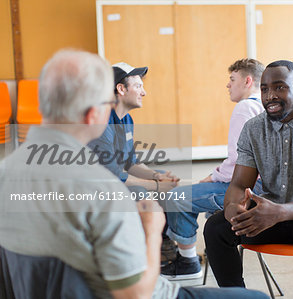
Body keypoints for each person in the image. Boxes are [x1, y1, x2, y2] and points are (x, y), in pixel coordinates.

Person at [0, 49, 269, 299]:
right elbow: (136, 293)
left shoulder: (6, 172)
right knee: (256, 298)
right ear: (95, 114)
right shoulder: (102, 192)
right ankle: (176, 257)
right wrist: (152, 230)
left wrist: (154, 177)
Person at [203, 60, 293, 299]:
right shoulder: (253, 129)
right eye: (264, 89)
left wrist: (280, 212)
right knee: (217, 227)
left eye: (280, 87)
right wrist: (233, 211)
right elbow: (240, 184)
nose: (270, 95)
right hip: (269, 214)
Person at [161, 58, 265, 280]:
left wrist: (212, 177)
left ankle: (187, 263)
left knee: (176, 196)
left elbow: (240, 161)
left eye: (232, 79)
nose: (228, 85)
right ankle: (214, 251)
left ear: (248, 81)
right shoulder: (265, 105)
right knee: (207, 204)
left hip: (247, 188)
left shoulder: (244, 108)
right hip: (265, 187)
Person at [89, 62, 179, 196]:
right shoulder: (101, 122)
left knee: (160, 177)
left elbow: (130, 163)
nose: (144, 93)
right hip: (95, 187)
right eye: (138, 86)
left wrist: (156, 176)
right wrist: (156, 186)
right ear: (121, 89)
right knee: (140, 192)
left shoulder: (127, 120)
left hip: (113, 179)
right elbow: (112, 176)